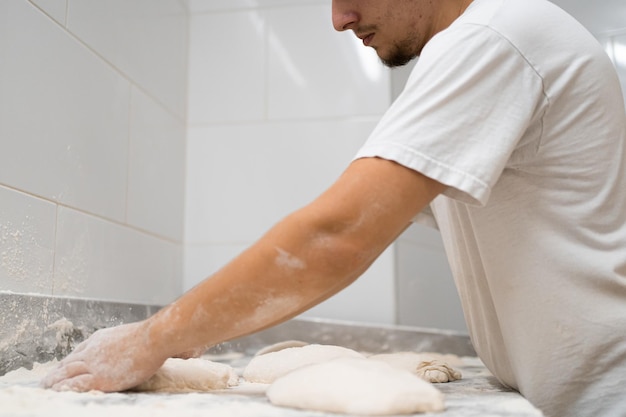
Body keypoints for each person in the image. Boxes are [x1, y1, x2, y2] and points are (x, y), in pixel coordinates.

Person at [42, 0, 626, 415]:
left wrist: (150, 341)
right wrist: (197, 327)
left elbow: (336, 236)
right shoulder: (489, 40)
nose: (337, 18)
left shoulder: (494, 35)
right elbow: (355, 215)